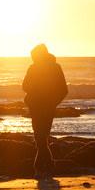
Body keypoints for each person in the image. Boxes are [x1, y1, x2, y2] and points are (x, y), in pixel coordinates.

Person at [22, 44, 68, 177]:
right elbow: (25, 86)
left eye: (34, 56)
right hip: (37, 106)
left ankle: (41, 167)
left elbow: (63, 90)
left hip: (44, 107)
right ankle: (46, 167)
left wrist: (52, 102)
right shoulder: (35, 68)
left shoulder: (53, 68)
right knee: (40, 137)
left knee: (41, 137)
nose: (32, 59)